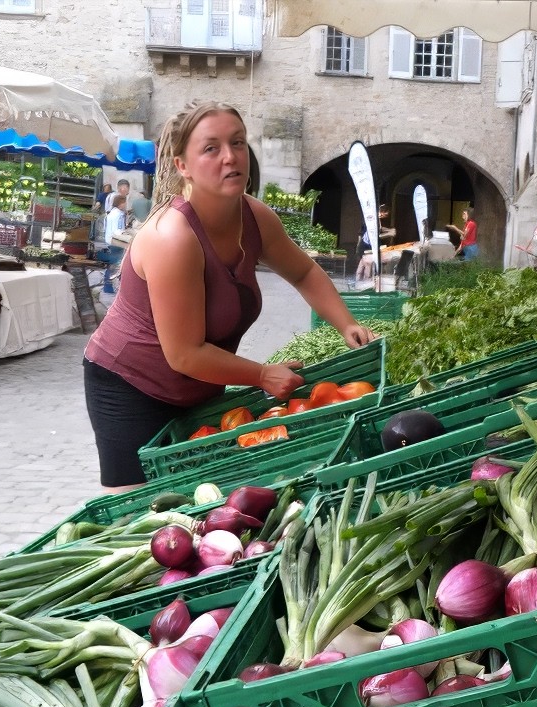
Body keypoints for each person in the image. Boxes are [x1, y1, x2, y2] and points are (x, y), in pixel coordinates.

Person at [83, 100, 376, 493]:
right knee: (140, 515)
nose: (230, 157)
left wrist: (347, 322)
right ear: (182, 164)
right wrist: (260, 374)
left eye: (237, 143)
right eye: (211, 148)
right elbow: (184, 353)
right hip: (130, 386)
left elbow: (304, 271)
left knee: (201, 502)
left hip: (198, 387)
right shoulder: (173, 238)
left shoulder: (255, 217)